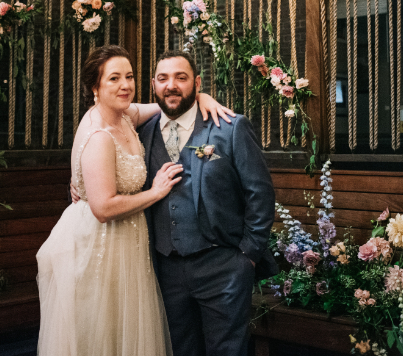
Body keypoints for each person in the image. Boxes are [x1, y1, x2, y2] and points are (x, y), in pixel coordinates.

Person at [36, 45, 233, 356]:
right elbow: (103, 208)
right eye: (113, 78)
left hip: (128, 243)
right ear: (95, 87)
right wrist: (155, 192)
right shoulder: (100, 134)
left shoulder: (124, 115)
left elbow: (165, 104)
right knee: (104, 336)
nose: (125, 85)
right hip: (100, 244)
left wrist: (200, 96)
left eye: (129, 76)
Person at [137, 50, 277, 356]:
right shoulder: (141, 133)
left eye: (181, 77)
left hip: (223, 266)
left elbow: (260, 194)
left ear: (197, 83)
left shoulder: (230, 127)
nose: (171, 85)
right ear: (153, 85)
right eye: (163, 78)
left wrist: (247, 256)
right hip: (165, 269)